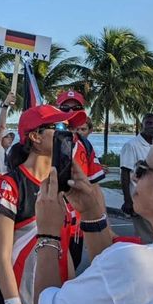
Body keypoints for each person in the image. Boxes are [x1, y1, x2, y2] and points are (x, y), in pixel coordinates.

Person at [33, 128, 153, 304]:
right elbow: (113, 286)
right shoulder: (134, 266)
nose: (135, 176)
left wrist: (48, 235)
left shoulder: (134, 264)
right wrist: (91, 213)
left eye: (143, 168)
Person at [0, 105, 83, 304]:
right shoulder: (9, 185)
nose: (68, 134)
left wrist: (71, 300)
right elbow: (0, 257)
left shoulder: (63, 186)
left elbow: (64, 248)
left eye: (69, 128)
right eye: (59, 127)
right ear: (35, 137)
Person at [56, 90, 105, 270]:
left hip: (77, 225)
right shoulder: (47, 140)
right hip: (51, 221)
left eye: (76, 107)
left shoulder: (85, 145)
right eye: (65, 108)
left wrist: (102, 221)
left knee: (72, 268)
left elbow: (95, 187)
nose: (70, 112)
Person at [120, 112, 153, 243]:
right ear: (142, 124)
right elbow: (125, 173)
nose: (152, 126)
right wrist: (128, 200)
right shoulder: (131, 145)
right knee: (146, 239)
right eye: (148, 123)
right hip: (140, 200)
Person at [0, 93, 16, 174]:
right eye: (7, 136)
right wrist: (5, 106)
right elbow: (1, 127)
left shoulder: (7, 152)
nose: (10, 139)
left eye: (11, 136)